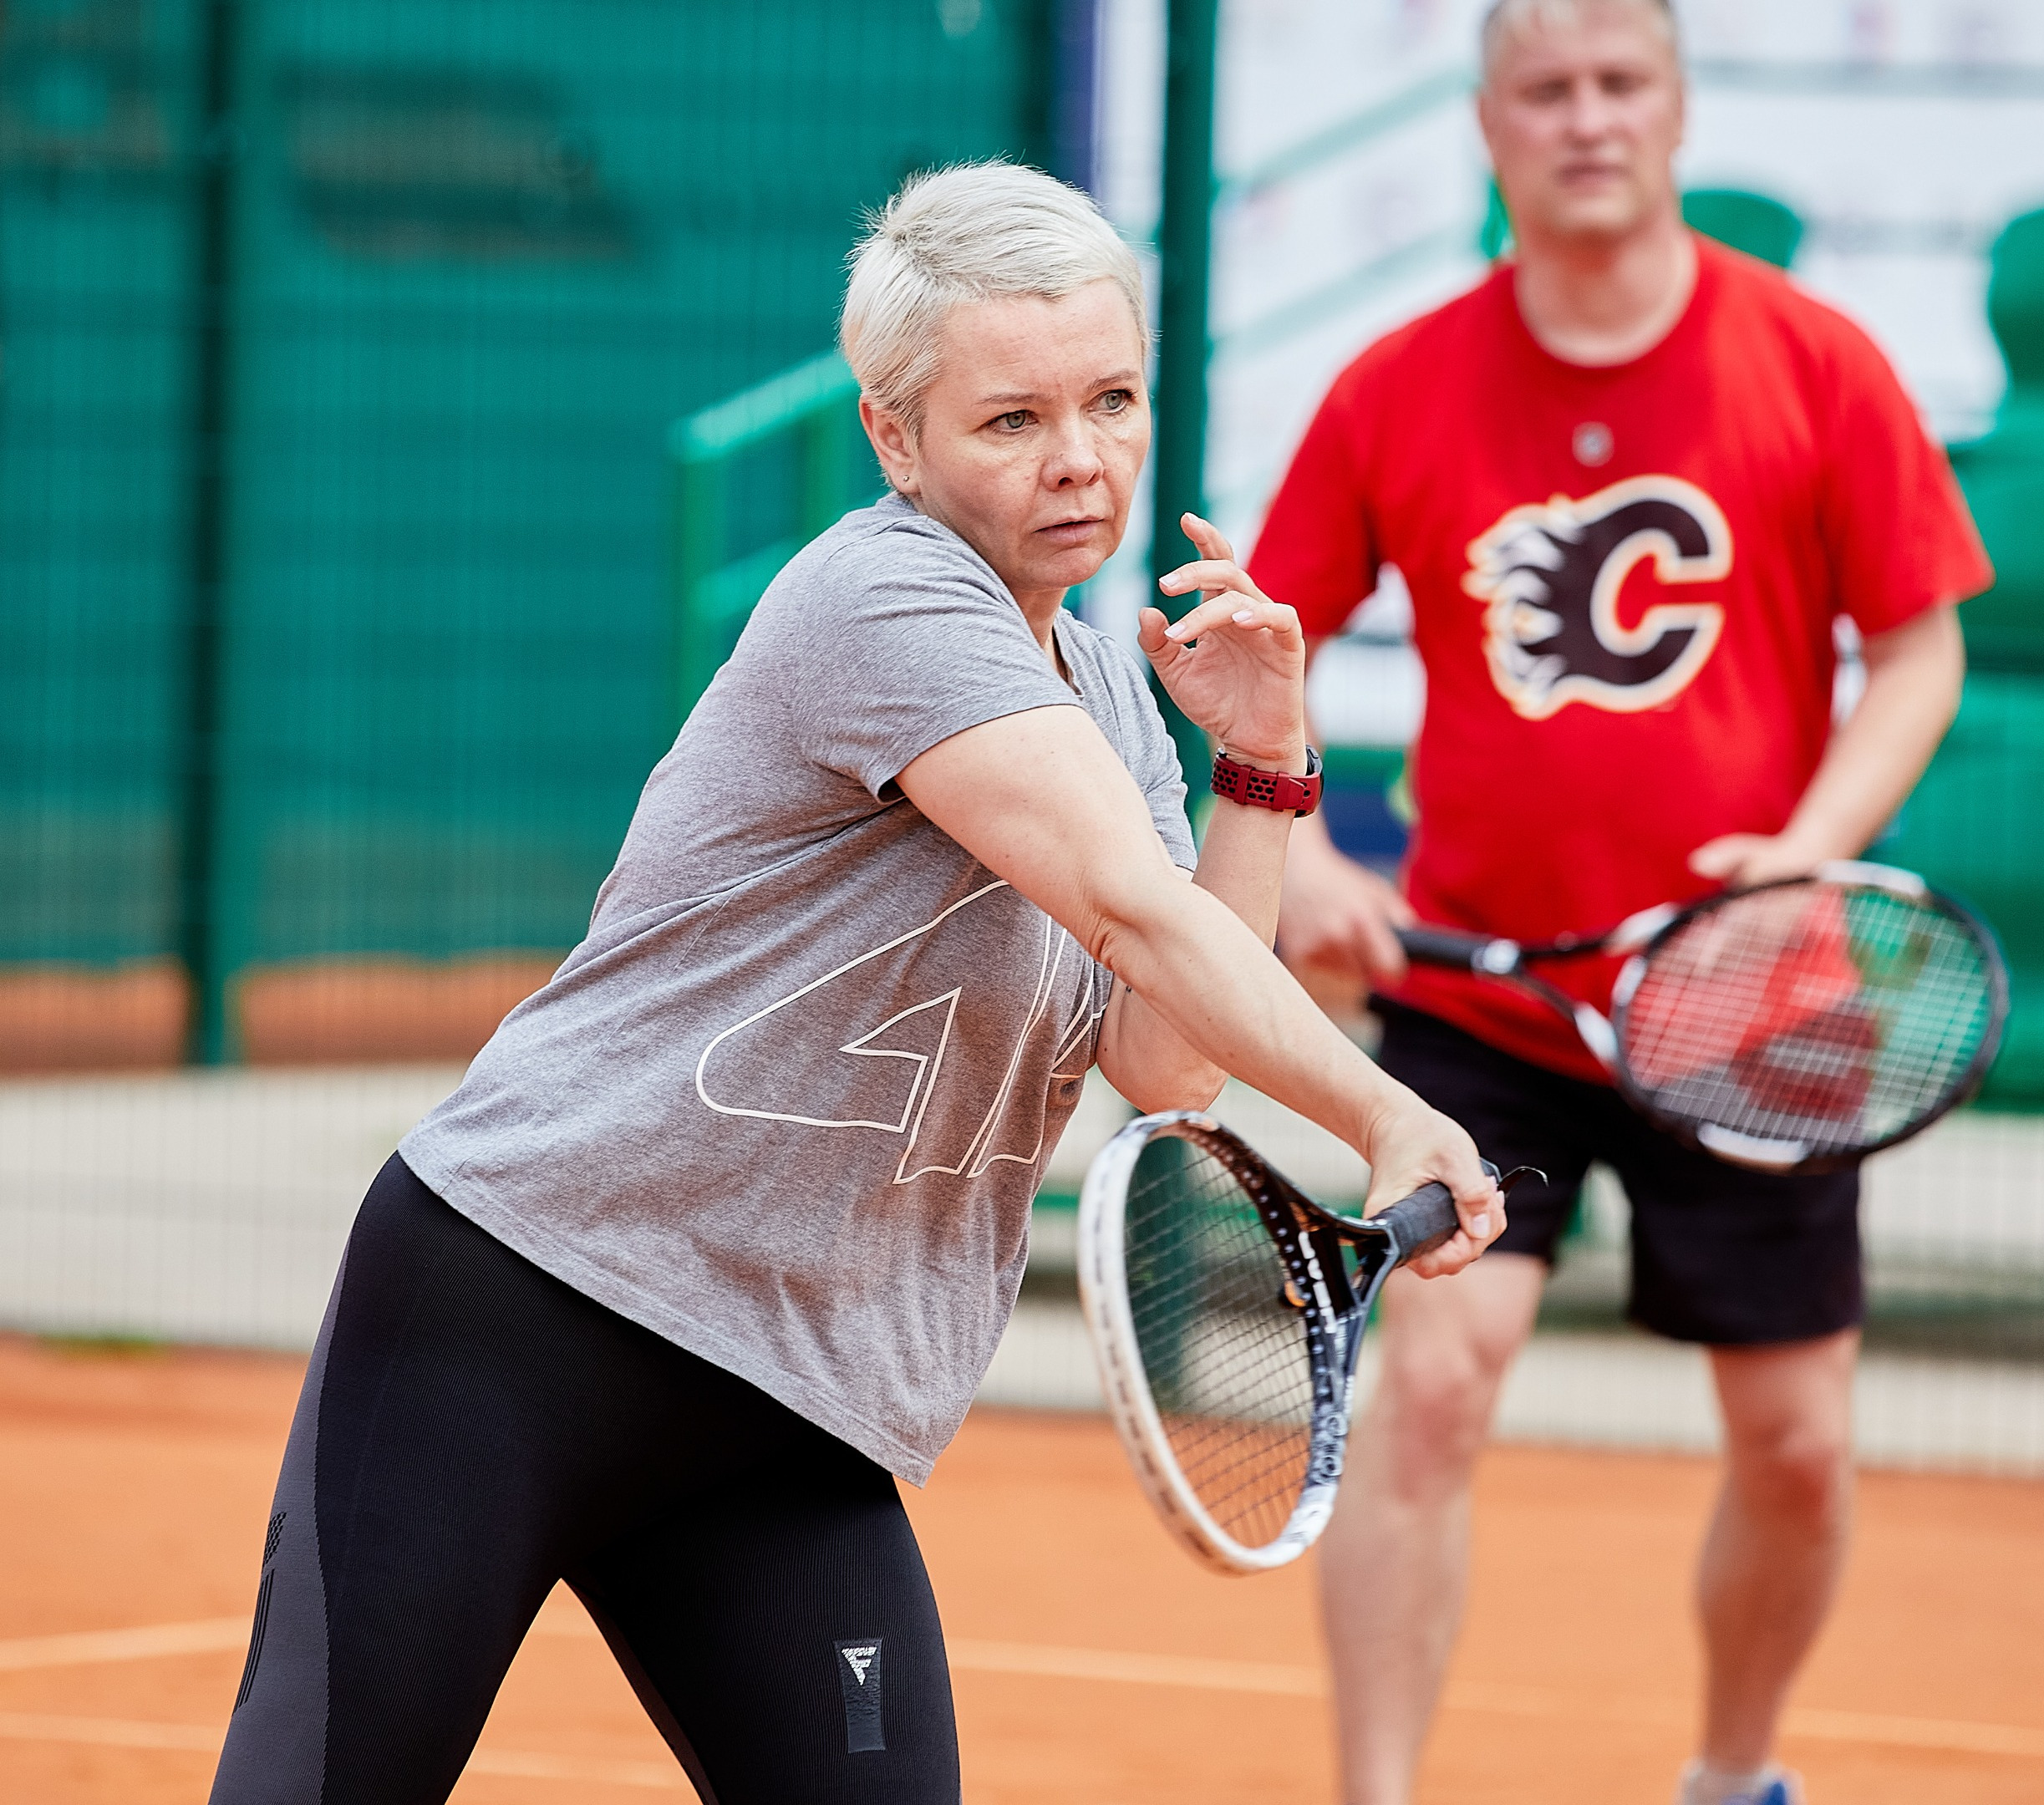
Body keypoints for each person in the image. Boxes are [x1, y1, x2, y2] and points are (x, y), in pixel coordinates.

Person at [206, 160, 1503, 1805]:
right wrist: (1388, 1114)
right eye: (1011, 419)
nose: (1081, 459)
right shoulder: (880, 593)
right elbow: (1126, 909)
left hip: (794, 1403)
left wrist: (1260, 763)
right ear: (896, 438)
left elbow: (1168, 1063)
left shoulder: (1106, 687)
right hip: (521, 1314)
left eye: (1110, 400)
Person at [1250, 5, 1991, 1802]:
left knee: (1800, 1446)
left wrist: (1812, 842)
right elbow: (1247, 661)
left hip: (1768, 997)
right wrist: (1315, 855)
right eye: (1548, 90)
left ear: (1674, 111)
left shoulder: (1814, 362)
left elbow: (1918, 652)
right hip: (1477, 1010)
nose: (1587, 119)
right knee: (1431, 1384)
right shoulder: (1394, 386)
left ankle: (1735, 1776)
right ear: (1491, 124)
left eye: (1620, 85)